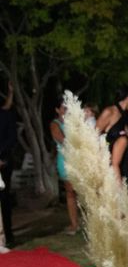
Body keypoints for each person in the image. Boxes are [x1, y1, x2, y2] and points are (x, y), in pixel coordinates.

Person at [50, 96, 80, 235]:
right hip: (66, 160)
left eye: (67, 107)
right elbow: (62, 140)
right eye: (63, 107)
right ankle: (74, 224)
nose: (66, 110)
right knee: (70, 191)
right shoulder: (55, 124)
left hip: (78, 159)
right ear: (57, 110)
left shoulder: (74, 122)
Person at [0, 80, 17, 247]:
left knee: (4, 198)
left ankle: (7, 234)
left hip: (3, 162)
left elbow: (11, 139)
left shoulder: (5, 115)